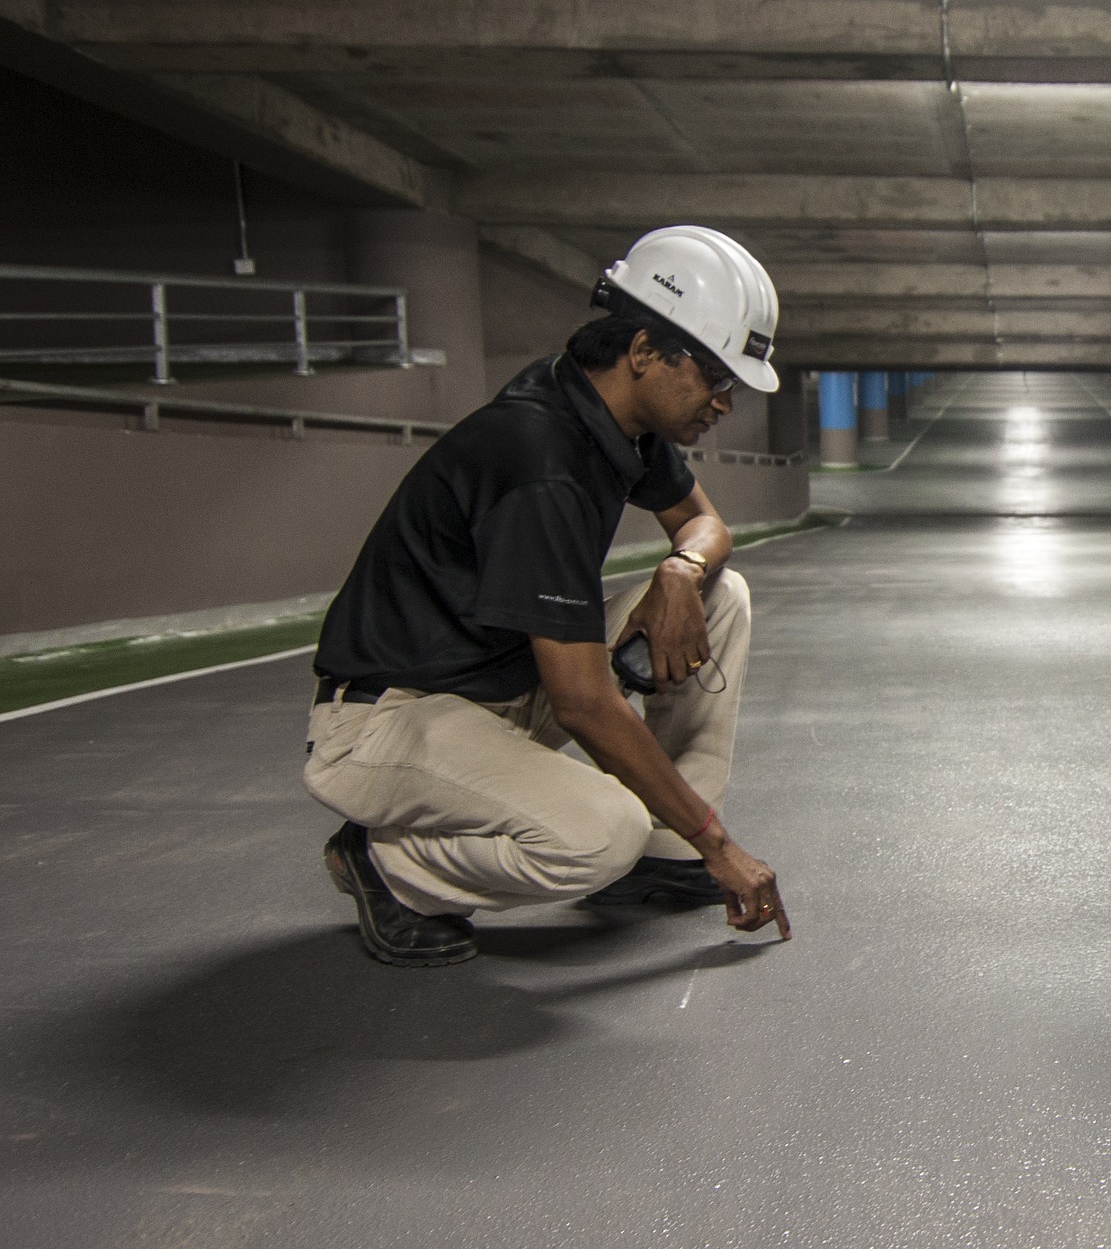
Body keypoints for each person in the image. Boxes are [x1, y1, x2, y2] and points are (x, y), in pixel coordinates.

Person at [305, 225, 791, 966]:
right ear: (642, 352)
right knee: (600, 836)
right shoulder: (539, 461)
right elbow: (584, 704)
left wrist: (679, 572)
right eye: (716, 378)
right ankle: (391, 867)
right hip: (389, 721)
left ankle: (666, 849)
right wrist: (720, 845)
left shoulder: (608, 414)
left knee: (722, 596)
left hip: (495, 687)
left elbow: (703, 523)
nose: (724, 403)